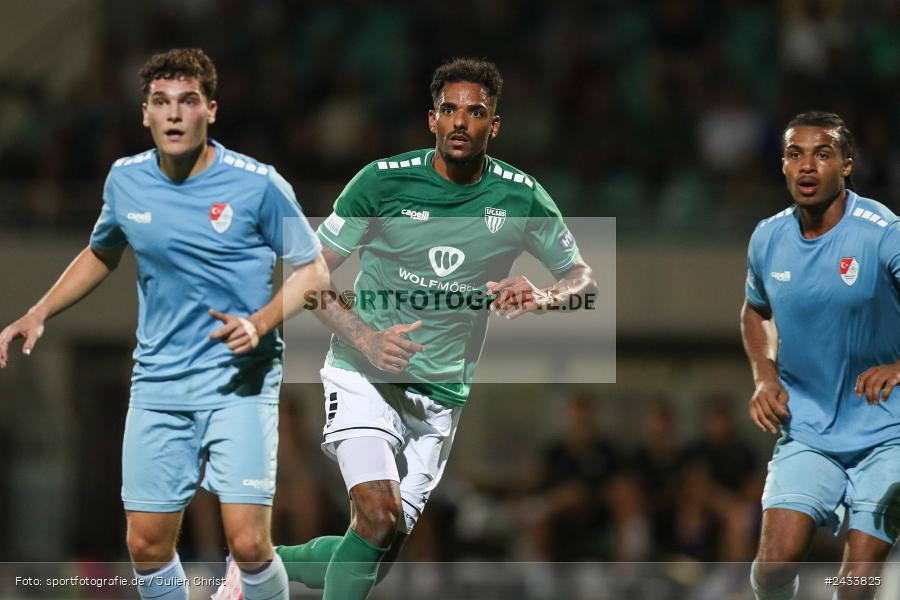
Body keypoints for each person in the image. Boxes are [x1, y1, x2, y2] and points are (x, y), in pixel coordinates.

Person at [218, 57, 598, 599]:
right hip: (364, 373)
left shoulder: (521, 197)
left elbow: (581, 277)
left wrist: (545, 295)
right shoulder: (380, 182)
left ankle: (256, 567)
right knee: (376, 513)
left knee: (376, 546)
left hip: (441, 395)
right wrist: (365, 337)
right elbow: (309, 276)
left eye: (475, 112)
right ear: (431, 120)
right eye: (449, 110)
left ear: (495, 126)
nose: (460, 121)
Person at [0, 48, 329, 600]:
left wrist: (261, 321)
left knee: (248, 544)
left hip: (239, 382)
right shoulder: (125, 182)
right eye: (161, 102)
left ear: (211, 111)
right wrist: (40, 310)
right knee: (147, 546)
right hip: (159, 383)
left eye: (188, 101)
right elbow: (101, 251)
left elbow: (313, 271)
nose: (174, 114)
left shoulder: (258, 185)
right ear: (145, 115)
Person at [742, 111, 900, 600]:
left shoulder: (883, 232)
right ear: (783, 166)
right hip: (808, 427)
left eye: (822, 154)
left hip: (888, 431)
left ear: (847, 165)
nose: (807, 166)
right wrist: (764, 376)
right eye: (795, 154)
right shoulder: (768, 238)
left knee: (855, 584)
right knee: (773, 564)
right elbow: (755, 312)